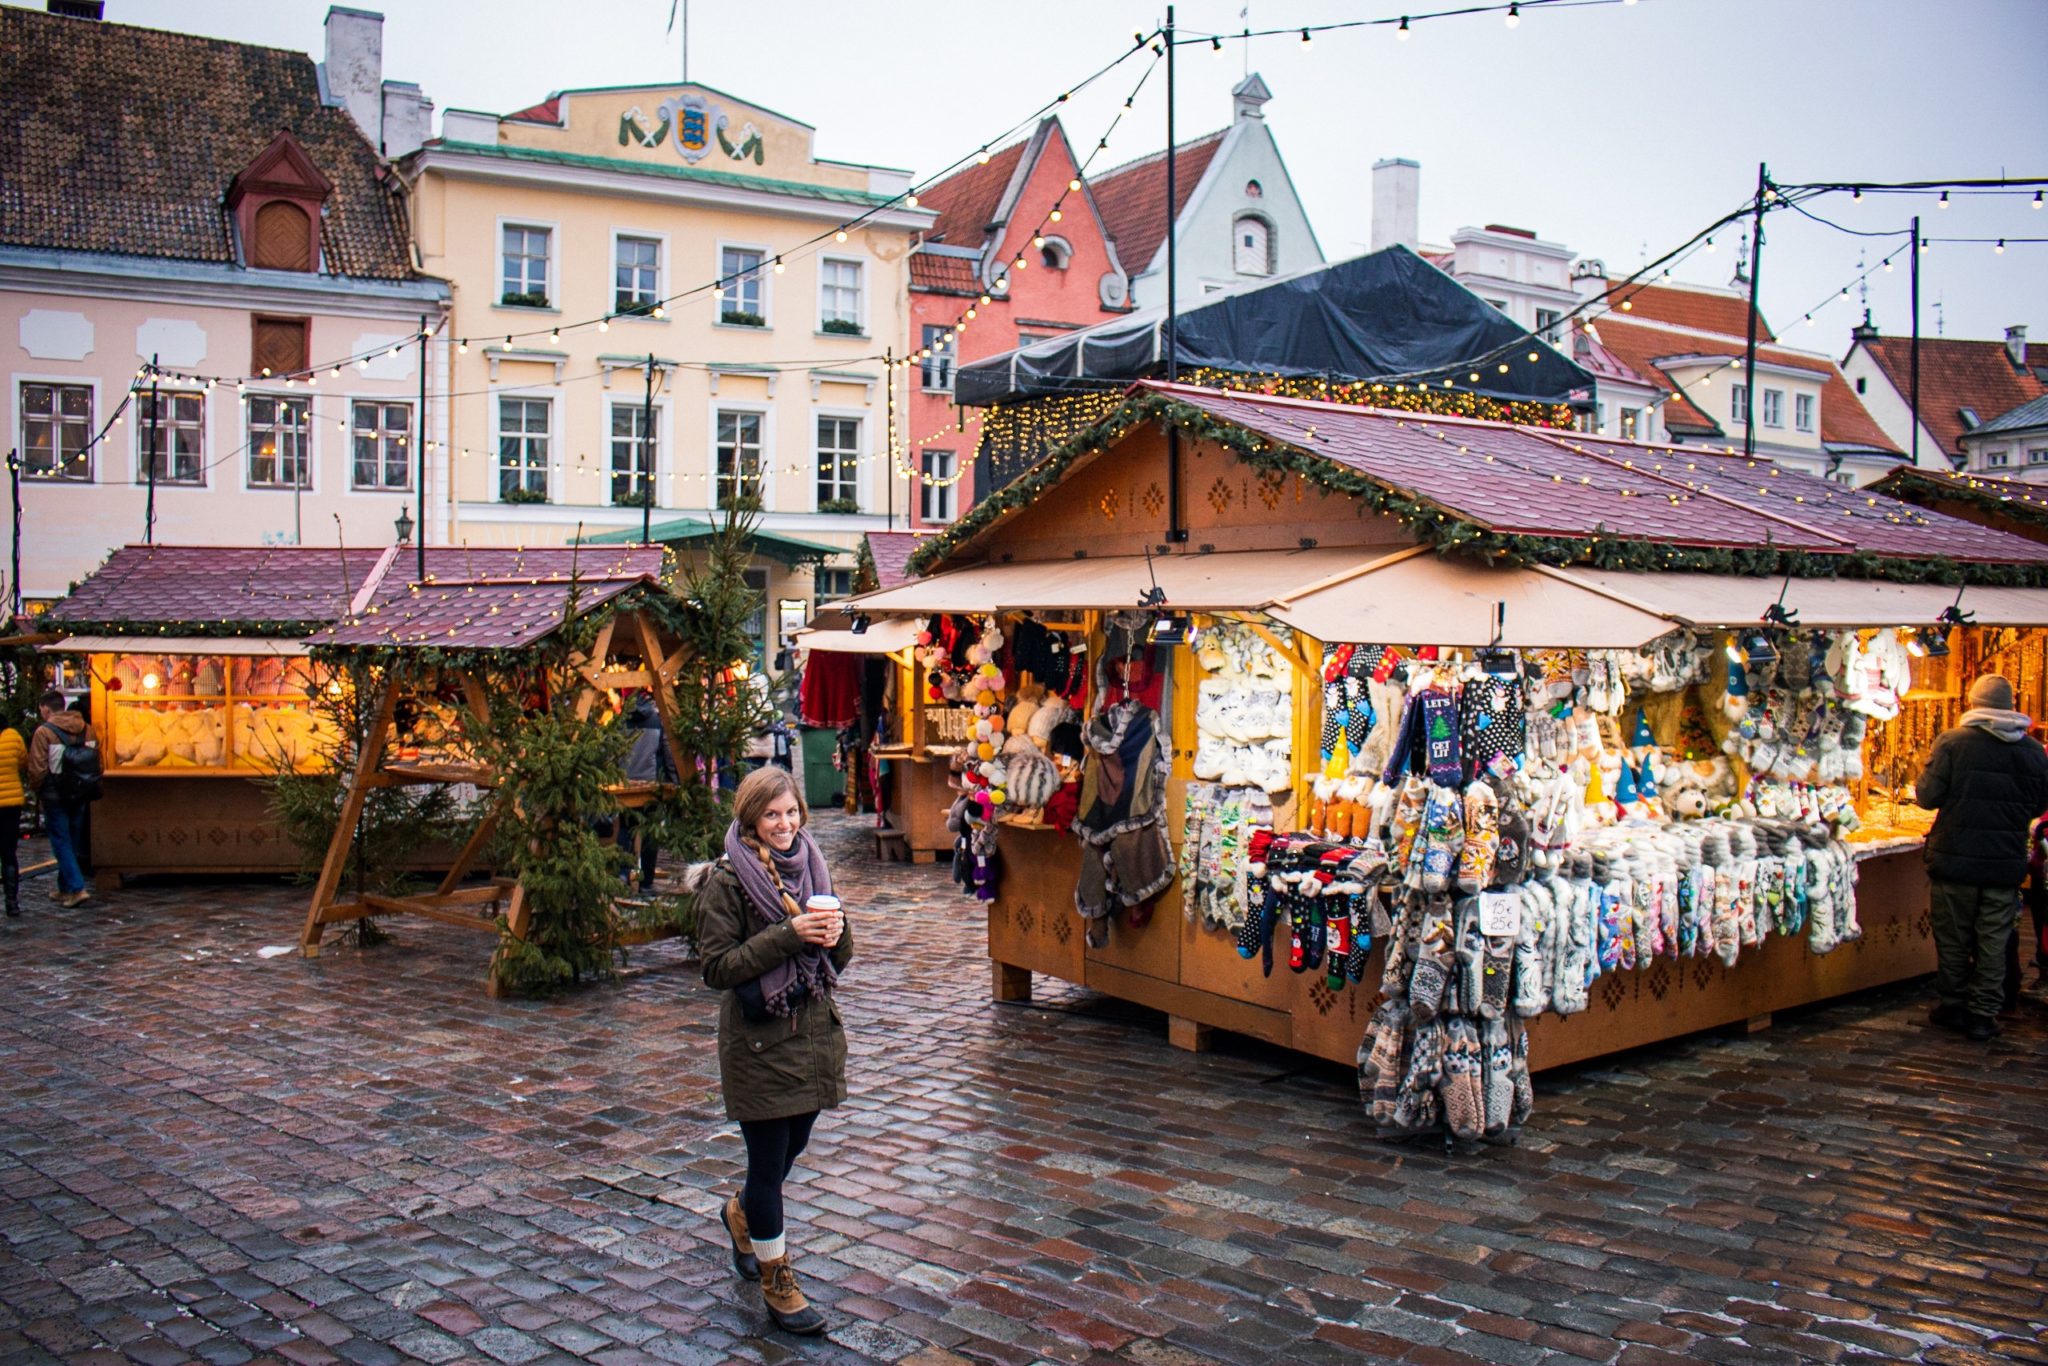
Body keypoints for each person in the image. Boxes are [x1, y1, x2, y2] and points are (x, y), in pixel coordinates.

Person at [683, 766, 850, 1335]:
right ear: (751, 818)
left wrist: (835, 932)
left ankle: (741, 1214)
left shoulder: (811, 863)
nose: (784, 824)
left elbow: (837, 960)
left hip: (811, 1034)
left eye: (791, 812)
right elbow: (716, 966)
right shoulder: (726, 881)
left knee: (794, 1143)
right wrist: (789, 934)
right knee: (766, 1159)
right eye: (772, 814)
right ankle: (779, 1280)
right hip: (759, 1039)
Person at [1913, 673, 2048, 1041]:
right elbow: (2039, 804)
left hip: (1955, 857)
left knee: (1954, 935)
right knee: (1994, 938)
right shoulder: (2034, 751)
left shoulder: (1953, 743)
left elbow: (1927, 796)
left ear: (1973, 704)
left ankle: (1953, 1005)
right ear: (2009, 706)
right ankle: (1983, 1014)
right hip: (2004, 862)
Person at [25, 690, 96, 908]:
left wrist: (38, 791)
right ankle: (64, 886)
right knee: (72, 838)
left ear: (46, 708)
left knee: (60, 840)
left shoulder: (44, 732)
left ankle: (76, 887)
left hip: (54, 794)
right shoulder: (87, 729)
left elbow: (37, 769)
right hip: (81, 790)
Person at [616, 691, 676, 894]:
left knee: (625, 830)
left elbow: (612, 752)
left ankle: (623, 874)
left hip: (625, 784)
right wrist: (674, 781)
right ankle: (646, 882)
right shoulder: (657, 720)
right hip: (652, 785)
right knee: (651, 833)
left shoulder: (621, 720)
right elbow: (668, 752)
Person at [0, 713, 25, 917]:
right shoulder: (13, 737)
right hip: (10, 804)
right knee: (9, 854)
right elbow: (23, 762)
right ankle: (12, 902)